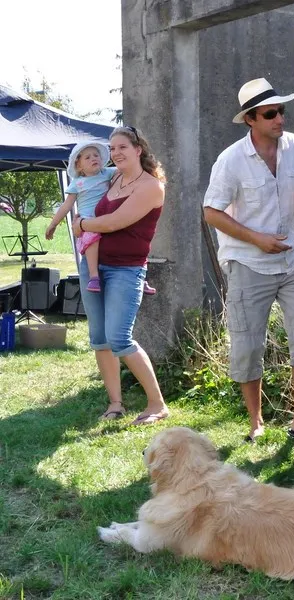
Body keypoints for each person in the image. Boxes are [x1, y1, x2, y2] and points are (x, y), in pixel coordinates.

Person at [203, 78, 294, 445]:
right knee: (247, 344)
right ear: (250, 119)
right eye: (270, 113)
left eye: (281, 111)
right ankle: (256, 422)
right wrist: (255, 238)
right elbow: (211, 212)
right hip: (247, 263)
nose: (280, 119)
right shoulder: (230, 160)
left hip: (292, 260)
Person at [71, 126, 169, 425]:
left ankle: (157, 404)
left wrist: (82, 225)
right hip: (93, 267)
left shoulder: (151, 186)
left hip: (126, 269)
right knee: (100, 338)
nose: (115, 153)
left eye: (122, 147)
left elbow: (114, 222)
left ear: (138, 149)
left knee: (119, 337)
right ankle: (115, 403)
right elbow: (83, 190)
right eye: (112, 148)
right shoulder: (112, 177)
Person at [47, 142, 157, 296]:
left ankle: (139, 278)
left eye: (96, 155)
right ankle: (94, 276)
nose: (94, 158)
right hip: (88, 220)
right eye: (87, 157)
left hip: (107, 216)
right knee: (92, 240)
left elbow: (126, 172)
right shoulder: (77, 183)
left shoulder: (107, 173)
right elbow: (66, 206)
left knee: (127, 239)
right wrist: (53, 224)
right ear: (79, 166)